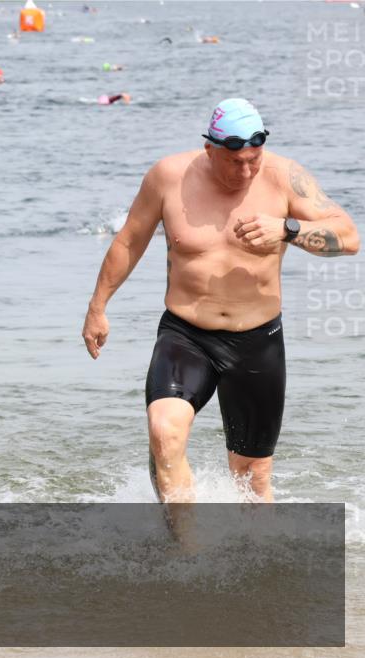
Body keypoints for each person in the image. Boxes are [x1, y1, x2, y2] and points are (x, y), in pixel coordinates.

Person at [82, 98, 359, 503]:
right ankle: (186, 554)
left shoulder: (284, 177)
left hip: (257, 340)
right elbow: (128, 242)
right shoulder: (168, 177)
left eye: (254, 159)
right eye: (234, 161)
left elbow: (350, 238)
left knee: (253, 478)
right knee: (164, 432)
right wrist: (97, 308)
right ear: (210, 149)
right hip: (186, 334)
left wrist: (287, 229)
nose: (245, 171)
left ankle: (258, 563)